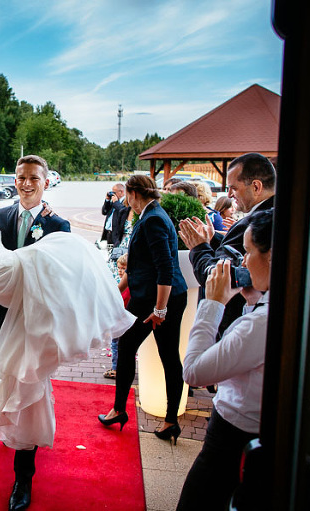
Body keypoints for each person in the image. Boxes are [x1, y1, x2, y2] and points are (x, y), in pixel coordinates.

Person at [0, 165, 136, 511]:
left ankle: (23, 479)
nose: (26, 183)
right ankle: (13, 428)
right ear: (14, 181)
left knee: (29, 394)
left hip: (34, 321)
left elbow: (66, 278)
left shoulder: (57, 225)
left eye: (34, 178)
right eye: (21, 177)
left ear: (46, 182)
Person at [176, 210, 273, 510]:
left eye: (248, 252)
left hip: (232, 438)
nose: (243, 262)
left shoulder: (260, 325)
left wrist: (213, 302)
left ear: (271, 257)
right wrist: (252, 299)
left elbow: (193, 372)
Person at [98, 175, 188, 443]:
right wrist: (116, 292)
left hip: (159, 300)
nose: (127, 201)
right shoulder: (150, 215)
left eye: (127, 195)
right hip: (151, 298)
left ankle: (166, 419)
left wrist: (160, 310)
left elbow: (165, 268)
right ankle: (124, 410)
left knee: (166, 356)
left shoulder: (153, 219)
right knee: (133, 348)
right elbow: (138, 263)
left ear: (134, 193)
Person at [178, 152, 275, 337]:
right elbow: (234, 251)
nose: (229, 195)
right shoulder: (271, 213)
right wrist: (213, 239)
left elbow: (216, 276)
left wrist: (199, 248)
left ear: (256, 186)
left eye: (233, 188)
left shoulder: (256, 223)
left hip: (233, 321)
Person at [104, 253, 131, 379]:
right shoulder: (123, 284)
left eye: (123, 268)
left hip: (121, 320)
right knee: (119, 345)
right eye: (119, 268)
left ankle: (116, 368)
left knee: (116, 345)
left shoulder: (126, 287)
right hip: (121, 319)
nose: (120, 271)